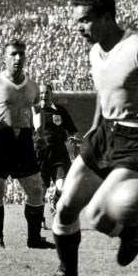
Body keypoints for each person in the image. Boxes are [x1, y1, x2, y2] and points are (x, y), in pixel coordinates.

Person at [46, 0, 138, 276]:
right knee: (65, 208)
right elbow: (104, 94)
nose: (79, 28)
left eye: (85, 20)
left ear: (107, 17)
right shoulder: (94, 52)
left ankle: (132, 231)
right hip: (105, 134)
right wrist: (93, 128)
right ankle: (67, 272)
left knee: (98, 215)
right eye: (77, 21)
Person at [0, 39, 54, 249]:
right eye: (13, 54)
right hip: (0, 138)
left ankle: (34, 240)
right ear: (4, 58)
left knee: (35, 190)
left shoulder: (32, 86)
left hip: (23, 139)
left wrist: (39, 132)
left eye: (21, 54)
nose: (18, 58)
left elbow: (37, 111)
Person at [33, 82, 80, 215]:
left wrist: (75, 140)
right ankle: (40, 219)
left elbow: (73, 131)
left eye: (46, 93)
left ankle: (55, 203)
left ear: (51, 94)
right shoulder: (32, 111)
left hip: (59, 154)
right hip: (40, 155)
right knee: (41, 189)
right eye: (41, 93)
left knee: (63, 187)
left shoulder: (60, 110)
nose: (43, 95)